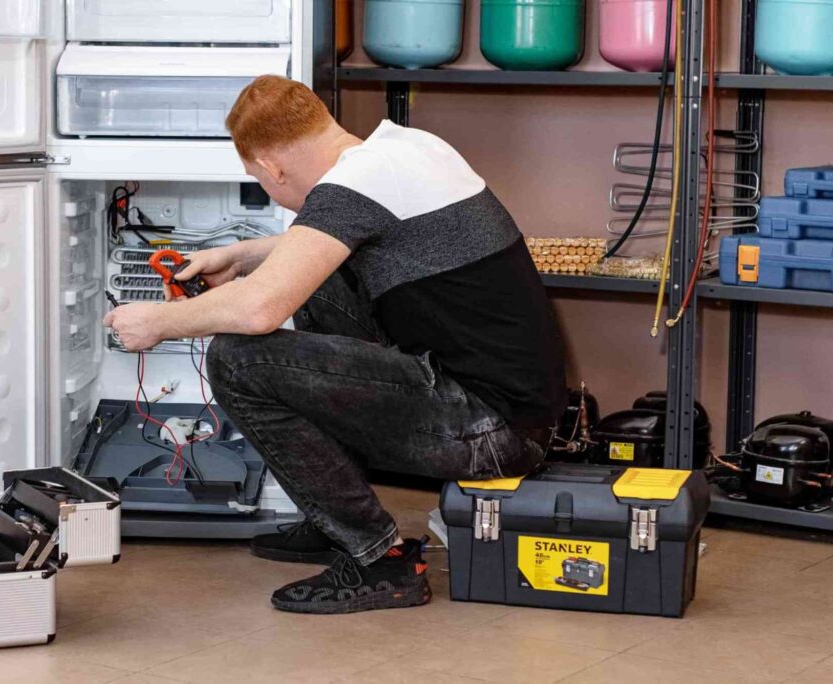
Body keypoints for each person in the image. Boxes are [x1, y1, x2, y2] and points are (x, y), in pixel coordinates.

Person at [104, 75, 566, 615]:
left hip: (493, 433)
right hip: (512, 407)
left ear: (273, 168)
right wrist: (245, 255)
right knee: (315, 274)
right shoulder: (403, 148)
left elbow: (259, 311)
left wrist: (161, 320)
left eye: (260, 180)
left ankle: (377, 558)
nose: (270, 190)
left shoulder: (352, 189)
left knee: (237, 360)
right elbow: (343, 240)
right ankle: (335, 522)